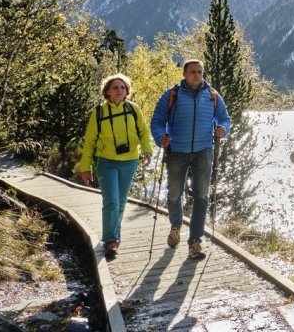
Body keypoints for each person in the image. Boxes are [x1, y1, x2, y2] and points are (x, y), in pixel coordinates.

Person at [150, 59, 230, 260]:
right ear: (184, 74)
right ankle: (176, 225)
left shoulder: (211, 95)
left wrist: (223, 129)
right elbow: (157, 122)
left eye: (200, 72)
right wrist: (161, 137)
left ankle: (195, 241)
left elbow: (224, 118)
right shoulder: (172, 95)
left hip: (204, 151)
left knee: (201, 196)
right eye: (193, 71)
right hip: (177, 151)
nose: (196, 75)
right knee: (174, 194)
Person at [77, 73, 153, 260]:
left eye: (123, 87)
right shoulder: (99, 112)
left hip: (130, 161)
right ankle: (111, 241)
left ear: (127, 91)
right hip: (106, 161)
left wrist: (147, 150)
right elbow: (89, 142)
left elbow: (143, 132)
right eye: (115, 88)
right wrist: (85, 167)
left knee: (120, 201)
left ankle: (114, 237)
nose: (120, 90)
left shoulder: (133, 109)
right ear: (107, 92)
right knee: (111, 200)